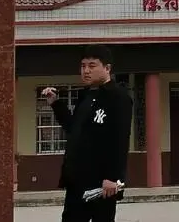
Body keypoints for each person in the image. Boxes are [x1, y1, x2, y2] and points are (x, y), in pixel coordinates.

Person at [42, 44, 134, 222]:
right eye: (83, 66)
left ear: (107, 68)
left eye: (92, 66)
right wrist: (56, 104)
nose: (86, 71)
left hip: (102, 184)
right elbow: (73, 128)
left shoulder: (119, 98)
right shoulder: (84, 95)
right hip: (77, 179)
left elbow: (120, 140)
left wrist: (113, 178)